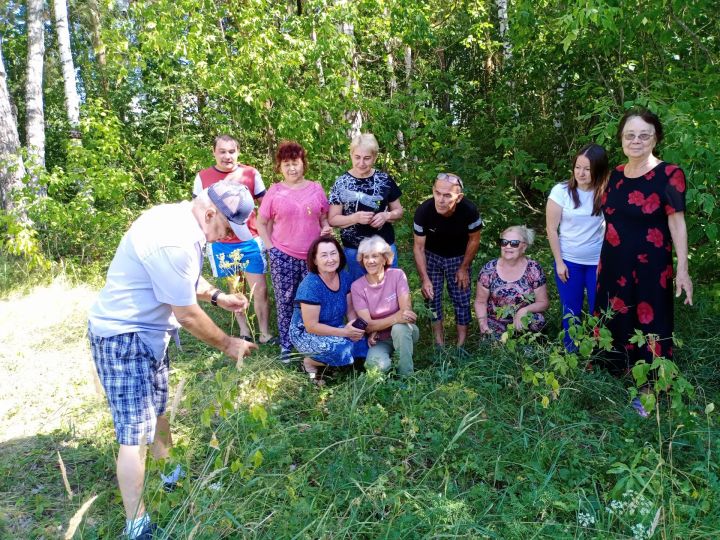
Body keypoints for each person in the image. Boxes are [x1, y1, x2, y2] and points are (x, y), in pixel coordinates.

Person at [88, 180, 258, 539]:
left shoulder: (186, 225)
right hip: (123, 337)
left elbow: (185, 281)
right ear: (211, 212)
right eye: (226, 227)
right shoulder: (174, 238)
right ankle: (137, 526)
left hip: (150, 335)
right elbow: (186, 315)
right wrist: (230, 344)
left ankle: (170, 475)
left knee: (159, 411)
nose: (226, 236)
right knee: (134, 432)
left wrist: (216, 297)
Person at [595, 107, 692, 384]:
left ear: (655, 139)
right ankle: (614, 370)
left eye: (643, 135)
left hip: (651, 266)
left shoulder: (670, 174)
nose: (636, 141)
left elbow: (677, 224)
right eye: (630, 135)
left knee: (652, 321)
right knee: (613, 314)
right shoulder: (613, 175)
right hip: (614, 263)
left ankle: (651, 384)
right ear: (622, 139)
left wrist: (682, 268)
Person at [193, 134, 274, 344]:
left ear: (238, 152)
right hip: (221, 244)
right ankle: (244, 331)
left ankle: (265, 333)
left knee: (260, 290)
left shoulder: (251, 173)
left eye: (231, 151)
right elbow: (198, 212)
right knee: (235, 290)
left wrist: (269, 236)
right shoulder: (202, 177)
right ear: (214, 152)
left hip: (249, 240)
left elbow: (266, 207)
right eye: (222, 151)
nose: (227, 156)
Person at [257, 141, 332, 363]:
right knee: (286, 301)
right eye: (286, 164)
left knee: (313, 300)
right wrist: (271, 249)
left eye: (296, 163)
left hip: (314, 258)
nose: (292, 168)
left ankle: (310, 342)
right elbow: (261, 222)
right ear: (279, 166)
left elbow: (324, 218)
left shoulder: (316, 189)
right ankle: (287, 347)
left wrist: (326, 228)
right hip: (283, 255)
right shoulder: (275, 191)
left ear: (303, 164)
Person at [546, 143, 609, 351]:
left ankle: (598, 354)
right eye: (577, 167)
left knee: (598, 310)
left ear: (598, 170)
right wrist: (559, 262)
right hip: (569, 263)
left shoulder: (606, 193)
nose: (581, 173)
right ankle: (571, 352)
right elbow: (551, 229)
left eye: (588, 169)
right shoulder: (561, 192)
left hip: (597, 264)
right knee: (571, 310)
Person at [413, 173, 483, 348]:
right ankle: (439, 343)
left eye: (447, 195)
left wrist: (464, 267)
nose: (440, 200)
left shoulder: (469, 211)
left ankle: (461, 344)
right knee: (432, 298)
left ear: (458, 198)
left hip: (459, 257)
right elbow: (419, 247)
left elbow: (474, 239)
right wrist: (424, 279)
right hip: (431, 256)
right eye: (437, 193)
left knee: (461, 298)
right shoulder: (423, 211)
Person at [290, 236, 367, 383]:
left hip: (335, 328)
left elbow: (350, 311)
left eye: (333, 253)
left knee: (362, 343)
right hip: (306, 333)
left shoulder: (345, 276)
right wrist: (345, 332)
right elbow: (311, 326)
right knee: (341, 351)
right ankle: (309, 362)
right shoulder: (310, 285)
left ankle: (332, 364)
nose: (330, 259)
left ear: (339, 254)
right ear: (314, 260)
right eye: (324, 255)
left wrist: (355, 329)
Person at [328, 133, 404, 280]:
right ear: (351, 155)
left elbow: (399, 211)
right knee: (360, 293)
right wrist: (354, 218)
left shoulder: (384, 179)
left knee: (389, 291)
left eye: (367, 158)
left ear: (375, 157)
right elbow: (332, 219)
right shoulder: (341, 183)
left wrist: (386, 216)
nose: (361, 163)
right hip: (355, 250)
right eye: (357, 157)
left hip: (384, 248)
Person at [351, 236, 418, 376]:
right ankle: (395, 360)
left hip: (405, 333)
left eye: (375, 256)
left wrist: (378, 325)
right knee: (377, 367)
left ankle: (406, 377)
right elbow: (367, 325)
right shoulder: (357, 287)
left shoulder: (398, 275)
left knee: (400, 328)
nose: (370, 261)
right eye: (366, 257)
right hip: (379, 340)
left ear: (384, 258)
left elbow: (405, 314)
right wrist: (394, 318)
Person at [475, 226, 549, 337]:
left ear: (524, 247)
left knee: (538, 320)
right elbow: (480, 302)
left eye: (514, 243)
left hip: (524, 320)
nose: (508, 246)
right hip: (496, 321)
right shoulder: (489, 269)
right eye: (504, 242)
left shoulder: (534, 269)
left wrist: (524, 311)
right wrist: (482, 322)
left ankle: (528, 346)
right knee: (491, 344)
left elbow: (543, 303)